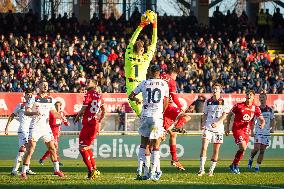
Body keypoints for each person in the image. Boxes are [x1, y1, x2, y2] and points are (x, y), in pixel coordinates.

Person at [129, 65, 169, 181]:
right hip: (157, 117)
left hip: (145, 115)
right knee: (156, 145)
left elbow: (131, 96)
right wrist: (161, 111)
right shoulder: (163, 84)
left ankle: (141, 171)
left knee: (144, 144)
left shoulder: (144, 83)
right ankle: (153, 173)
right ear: (159, 73)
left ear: (150, 72)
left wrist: (137, 100)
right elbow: (166, 101)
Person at [21, 81, 65, 179]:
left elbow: (53, 112)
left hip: (46, 127)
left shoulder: (50, 99)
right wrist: (34, 113)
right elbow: (26, 112)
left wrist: (61, 117)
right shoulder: (33, 98)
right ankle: (23, 172)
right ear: (38, 86)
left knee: (52, 148)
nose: (45, 86)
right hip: (35, 127)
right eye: (43, 85)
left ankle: (56, 170)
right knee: (31, 149)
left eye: (47, 85)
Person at [125, 10, 157, 116]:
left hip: (131, 87)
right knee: (148, 115)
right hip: (143, 87)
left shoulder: (129, 55)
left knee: (142, 116)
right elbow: (154, 43)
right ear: (142, 50)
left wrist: (141, 25)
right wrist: (154, 25)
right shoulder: (146, 59)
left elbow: (132, 41)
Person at [225, 90, 265, 174]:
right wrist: (227, 127)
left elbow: (261, 119)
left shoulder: (255, 108)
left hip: (247, 130)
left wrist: (262, 123)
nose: (248, 95)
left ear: (254, 97)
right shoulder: (239, 105)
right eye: (247, 94)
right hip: (237, 129)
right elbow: (229, 115)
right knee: (242, 147)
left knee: (243, 149)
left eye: (250, 94)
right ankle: (235, 165)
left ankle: (233, 165)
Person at [161, 65, 191, 171]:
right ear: (173, 73)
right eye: (176, 76)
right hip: (167, 107)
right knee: (186, 116)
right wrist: (180, 107)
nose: (176, 78)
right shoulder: (171, 81)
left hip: (158, 108)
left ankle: (174, 159)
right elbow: (174, 97)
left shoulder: (160, 76)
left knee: (170, 135)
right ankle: (176, 127)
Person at [74, 79, 105, 179]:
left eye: (89, 82)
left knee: (82, 148)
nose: (86, 83)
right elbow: (104, 110)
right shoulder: (99, 95)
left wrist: (77, 116)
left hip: (89, 124)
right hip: (92, 124)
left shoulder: (89, 94)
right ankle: (94, 169)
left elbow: (83, 109)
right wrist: (99, 120)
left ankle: (91, 171)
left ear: (95, 84)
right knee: (86, 147)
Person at [197, 83, 229, 176]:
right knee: (204, 147)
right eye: (213, 89)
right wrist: (203, 124)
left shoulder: (224, 101)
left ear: (220, 91)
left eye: (216, 89)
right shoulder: (208, 101)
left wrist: (218, 123)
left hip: (218, 129)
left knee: (216, 150)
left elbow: (225, 115)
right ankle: (201, 169)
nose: (215, 91)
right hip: (208, 127)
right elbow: (205, 114)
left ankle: (211, 170)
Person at [4, 90, 36, 176]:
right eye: (27, 95)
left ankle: (26, 169)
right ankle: (15, 170)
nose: (29, 96)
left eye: (30, 95)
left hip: (31, 131)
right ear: (24, 96)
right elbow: (12, 115)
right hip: (22, 130)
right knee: (23, 149)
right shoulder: (20, 105)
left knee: (29, 150)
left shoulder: (34, 106)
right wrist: (7, 127)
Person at [248, 92, 275, 172]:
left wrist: (272, 128)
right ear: (259, 99)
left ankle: (257, 167)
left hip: (266, 132)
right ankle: (251, 158)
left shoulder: (270, 109)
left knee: (262, 150)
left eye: (263, 97)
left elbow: (273, 119)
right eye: (261, 97)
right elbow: (252, 121)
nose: (262, 99)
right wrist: (252, 131)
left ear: (266, 98)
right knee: (256, 148)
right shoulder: (257, 109)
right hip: (258, 131)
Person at [39, 101, 70, 166]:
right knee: (55, 147)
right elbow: (48, 121)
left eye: (59, 106)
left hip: (57, 132)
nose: (58, 107)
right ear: (54, 106)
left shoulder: (62, 113)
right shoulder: (51, 113)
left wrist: (66, 122)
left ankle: (42, 159)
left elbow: (66, 123)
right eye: (56, 106)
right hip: (51, 132)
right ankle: (56, 161)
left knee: (53, 147)